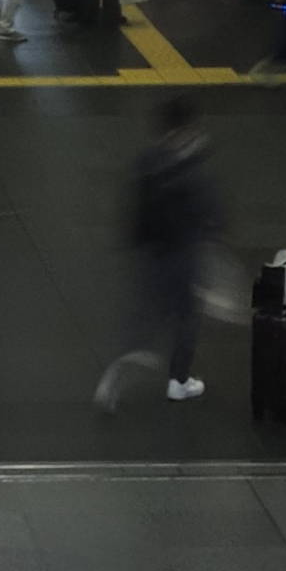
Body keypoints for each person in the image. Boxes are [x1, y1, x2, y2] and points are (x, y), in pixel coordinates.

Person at [94, 96, 220, 409]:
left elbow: (135, 207)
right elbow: (206, 208)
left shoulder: (147, 160)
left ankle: (126, 358)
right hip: (184, 250)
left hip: (152, 250)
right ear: (189, 124)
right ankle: (179, 380)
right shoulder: (192, 162)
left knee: (145, 312)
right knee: (187, 315)